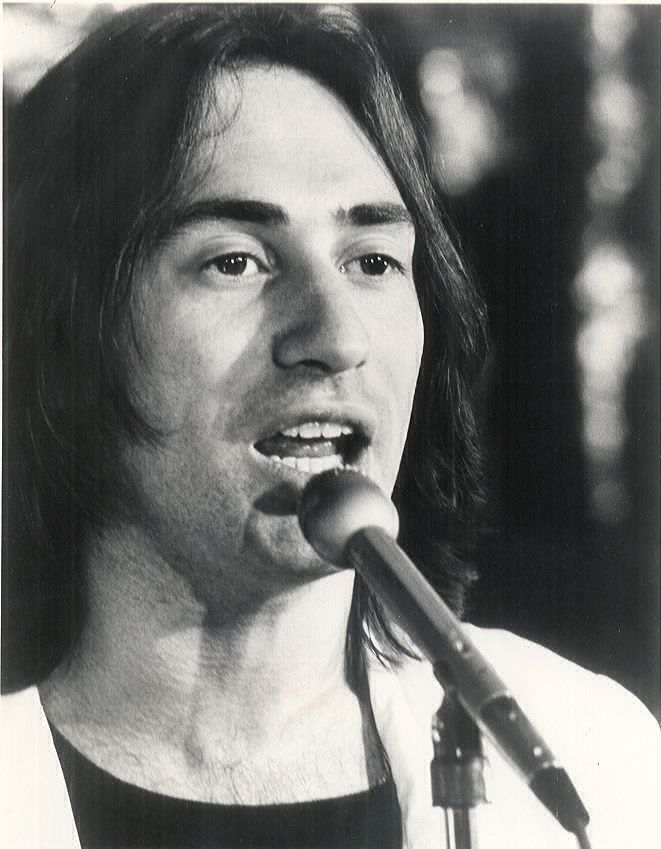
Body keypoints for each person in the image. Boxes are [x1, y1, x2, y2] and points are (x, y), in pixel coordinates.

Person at [1, 5, 659, 849]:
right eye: (235, 261)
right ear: (59, 333)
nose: (337, 336)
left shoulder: (595, 754)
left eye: (372, 261)